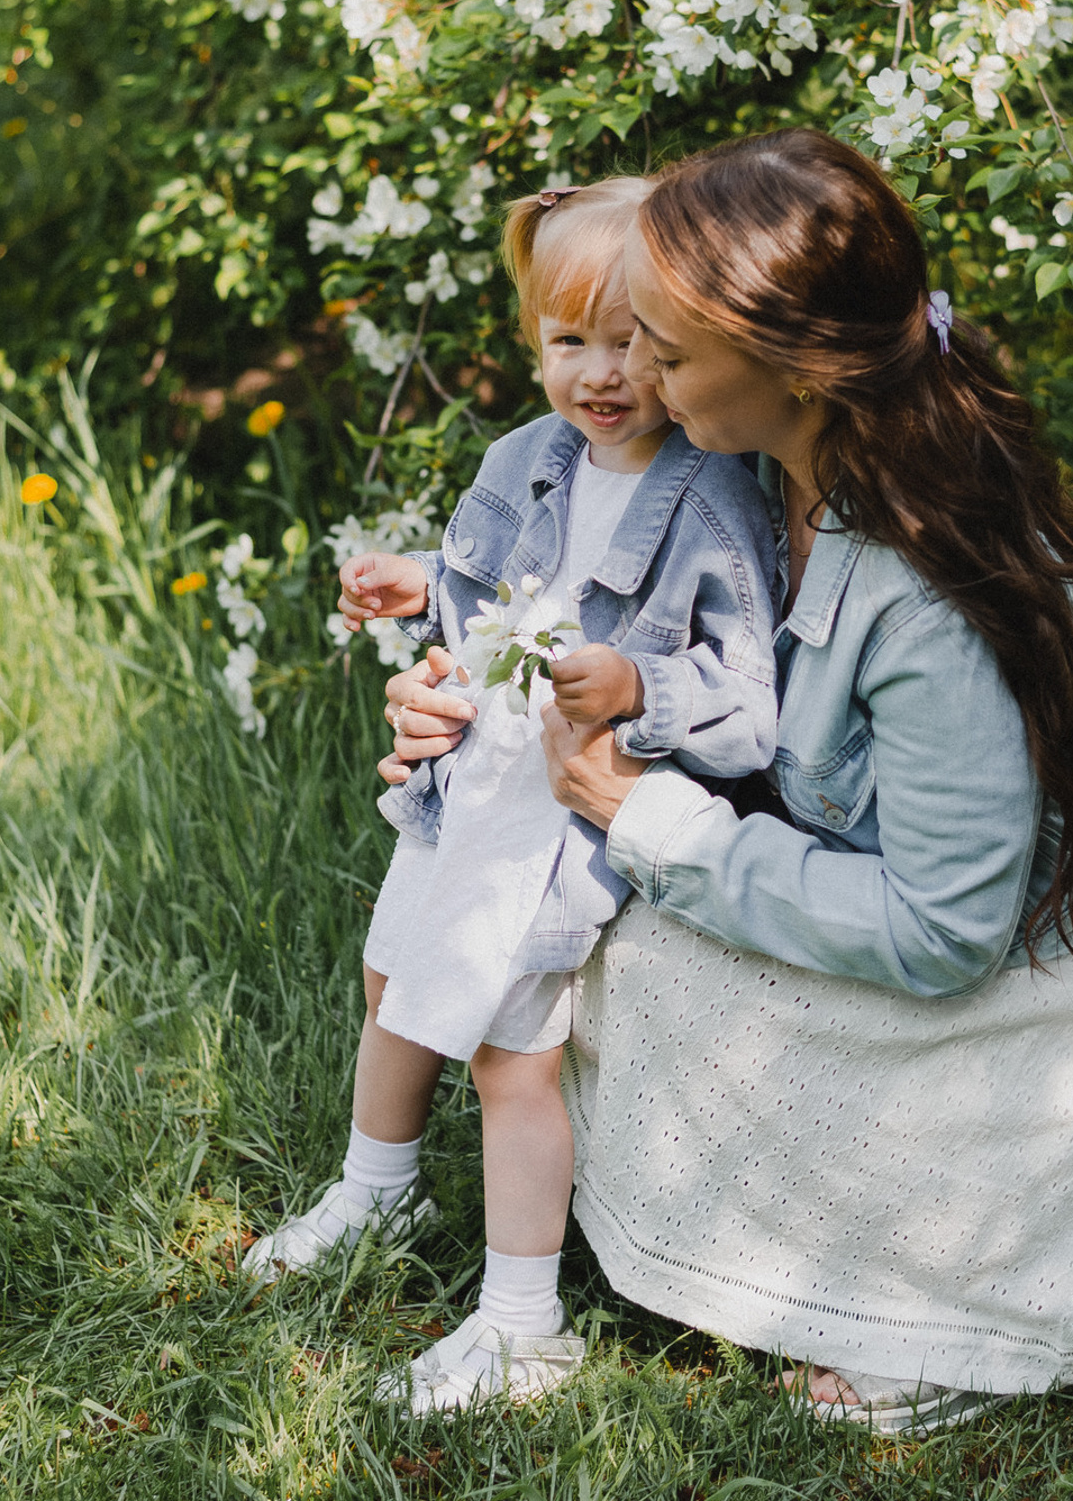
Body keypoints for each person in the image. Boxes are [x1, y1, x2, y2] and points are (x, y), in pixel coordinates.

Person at [384, 129, 1073, 1436]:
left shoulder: (931, 603)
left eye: (671, 353)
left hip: (1059, 989)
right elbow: (584, 575)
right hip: (908, 895)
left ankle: (944, 1302)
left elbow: (943, 929)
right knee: (580, 926)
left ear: (792, 372)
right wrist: (456, 682)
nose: (635, 370)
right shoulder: (772, 456)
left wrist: (651, 819)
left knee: (619, 948)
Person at [242, 176, 780, 1418]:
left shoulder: (715, 497)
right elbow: (488, 597)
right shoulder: (523, 458)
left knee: (508, 1052)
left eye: (635, 342)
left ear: (684, 340)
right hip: (470, 783)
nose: (602, 373)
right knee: (391, 977)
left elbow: (752, 702)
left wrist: (639, 682)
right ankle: (377, 1189)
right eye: (568, 341)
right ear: (532, 341)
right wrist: (414, 582)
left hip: (566, 813)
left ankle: (522, 1323)